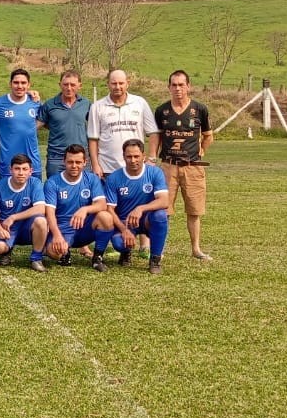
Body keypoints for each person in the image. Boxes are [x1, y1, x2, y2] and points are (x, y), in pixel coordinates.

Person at [154, 70, 213, 262]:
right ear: (169, 87)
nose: (178, 89)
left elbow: (208, 135)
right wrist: (153, 158)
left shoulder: (200, 110)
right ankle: (159, 249)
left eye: (181, 85)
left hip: (192, 166)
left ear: (189, 86)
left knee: (194, 210)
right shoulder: (162, 111)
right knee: (163, 210)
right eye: (174, 85)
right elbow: (158, 137)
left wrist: (202, 151)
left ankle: (196, 248)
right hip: (168, 166)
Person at [43, 143, 115, 272]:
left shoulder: (92, 179)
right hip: (63, 230)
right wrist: (57, 235)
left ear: (84, 162)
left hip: (84, 228)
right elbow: (49, 213)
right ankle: (64, 253)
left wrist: (85, 209)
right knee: (53, 252)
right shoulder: (52, 182)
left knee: (106, 217)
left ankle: (97, 257)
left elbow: (102, 204)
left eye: (78, 162)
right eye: (70, 162)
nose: (74, 166)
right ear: (64, 161)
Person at [104, 138, 170, 275]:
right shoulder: (114, 178)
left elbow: (164, 201)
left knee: (160, 215)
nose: (133, 160)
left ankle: (155, 260)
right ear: (123, 157)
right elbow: (109, 209)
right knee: (119, 243)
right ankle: (125, 252)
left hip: (146, 219)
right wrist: (123, 230)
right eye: (129, 156)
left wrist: (140, 209)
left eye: (136, 156)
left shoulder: (155, 173)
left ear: (143, 156)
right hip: (125, 222)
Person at [87, 68, 158, 177]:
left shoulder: (140, 103)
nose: (117, 87)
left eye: (121, 83)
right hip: (107, 168)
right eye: (114, 83)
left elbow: (153, 132)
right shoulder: (97, 107)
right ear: (108, 84)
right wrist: (95, 165)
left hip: (136, 167)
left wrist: (152, 158)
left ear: (127, 83)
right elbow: (93, 139)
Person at [0, 153, 49, 271]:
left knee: (41, 221)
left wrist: (13, 217)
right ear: (10, 170)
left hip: (27, 226)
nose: (21, 173)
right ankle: (6, 251)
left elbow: (41, 208)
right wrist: (0, 229)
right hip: (8, 229)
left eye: (24, 169)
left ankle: (36, 258)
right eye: (17, 168)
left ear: (30, 171)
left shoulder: (35, 183)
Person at [0, 68, 41, 177]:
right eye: (16, 82)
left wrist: (32, 129)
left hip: (32, 164)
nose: (20, 86)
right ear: (10, 84)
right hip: (8, 164)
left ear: (29, 85)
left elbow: (47, 120)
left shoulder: (35, 102)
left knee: (34, 194)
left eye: (23, 83)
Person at [38, 69, 91, 180]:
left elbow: (96, 128)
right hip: (56, 158)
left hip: (80, 156)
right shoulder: (49, 105)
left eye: (73, 84)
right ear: (60, 85)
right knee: (54, 190)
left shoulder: (86, 104)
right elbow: (35, 126)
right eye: (65, 84)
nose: (69, 88)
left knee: (83, 192)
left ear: (79, 86)